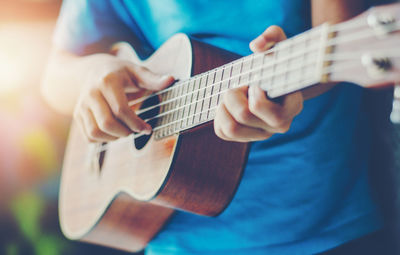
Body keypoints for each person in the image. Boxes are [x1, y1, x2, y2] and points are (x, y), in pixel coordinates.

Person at [42, 1, 389, 254]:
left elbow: (334, 38)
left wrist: (285, 85)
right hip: (170, 234)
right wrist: (92, 77)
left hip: (317, 222)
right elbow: (55, 77)